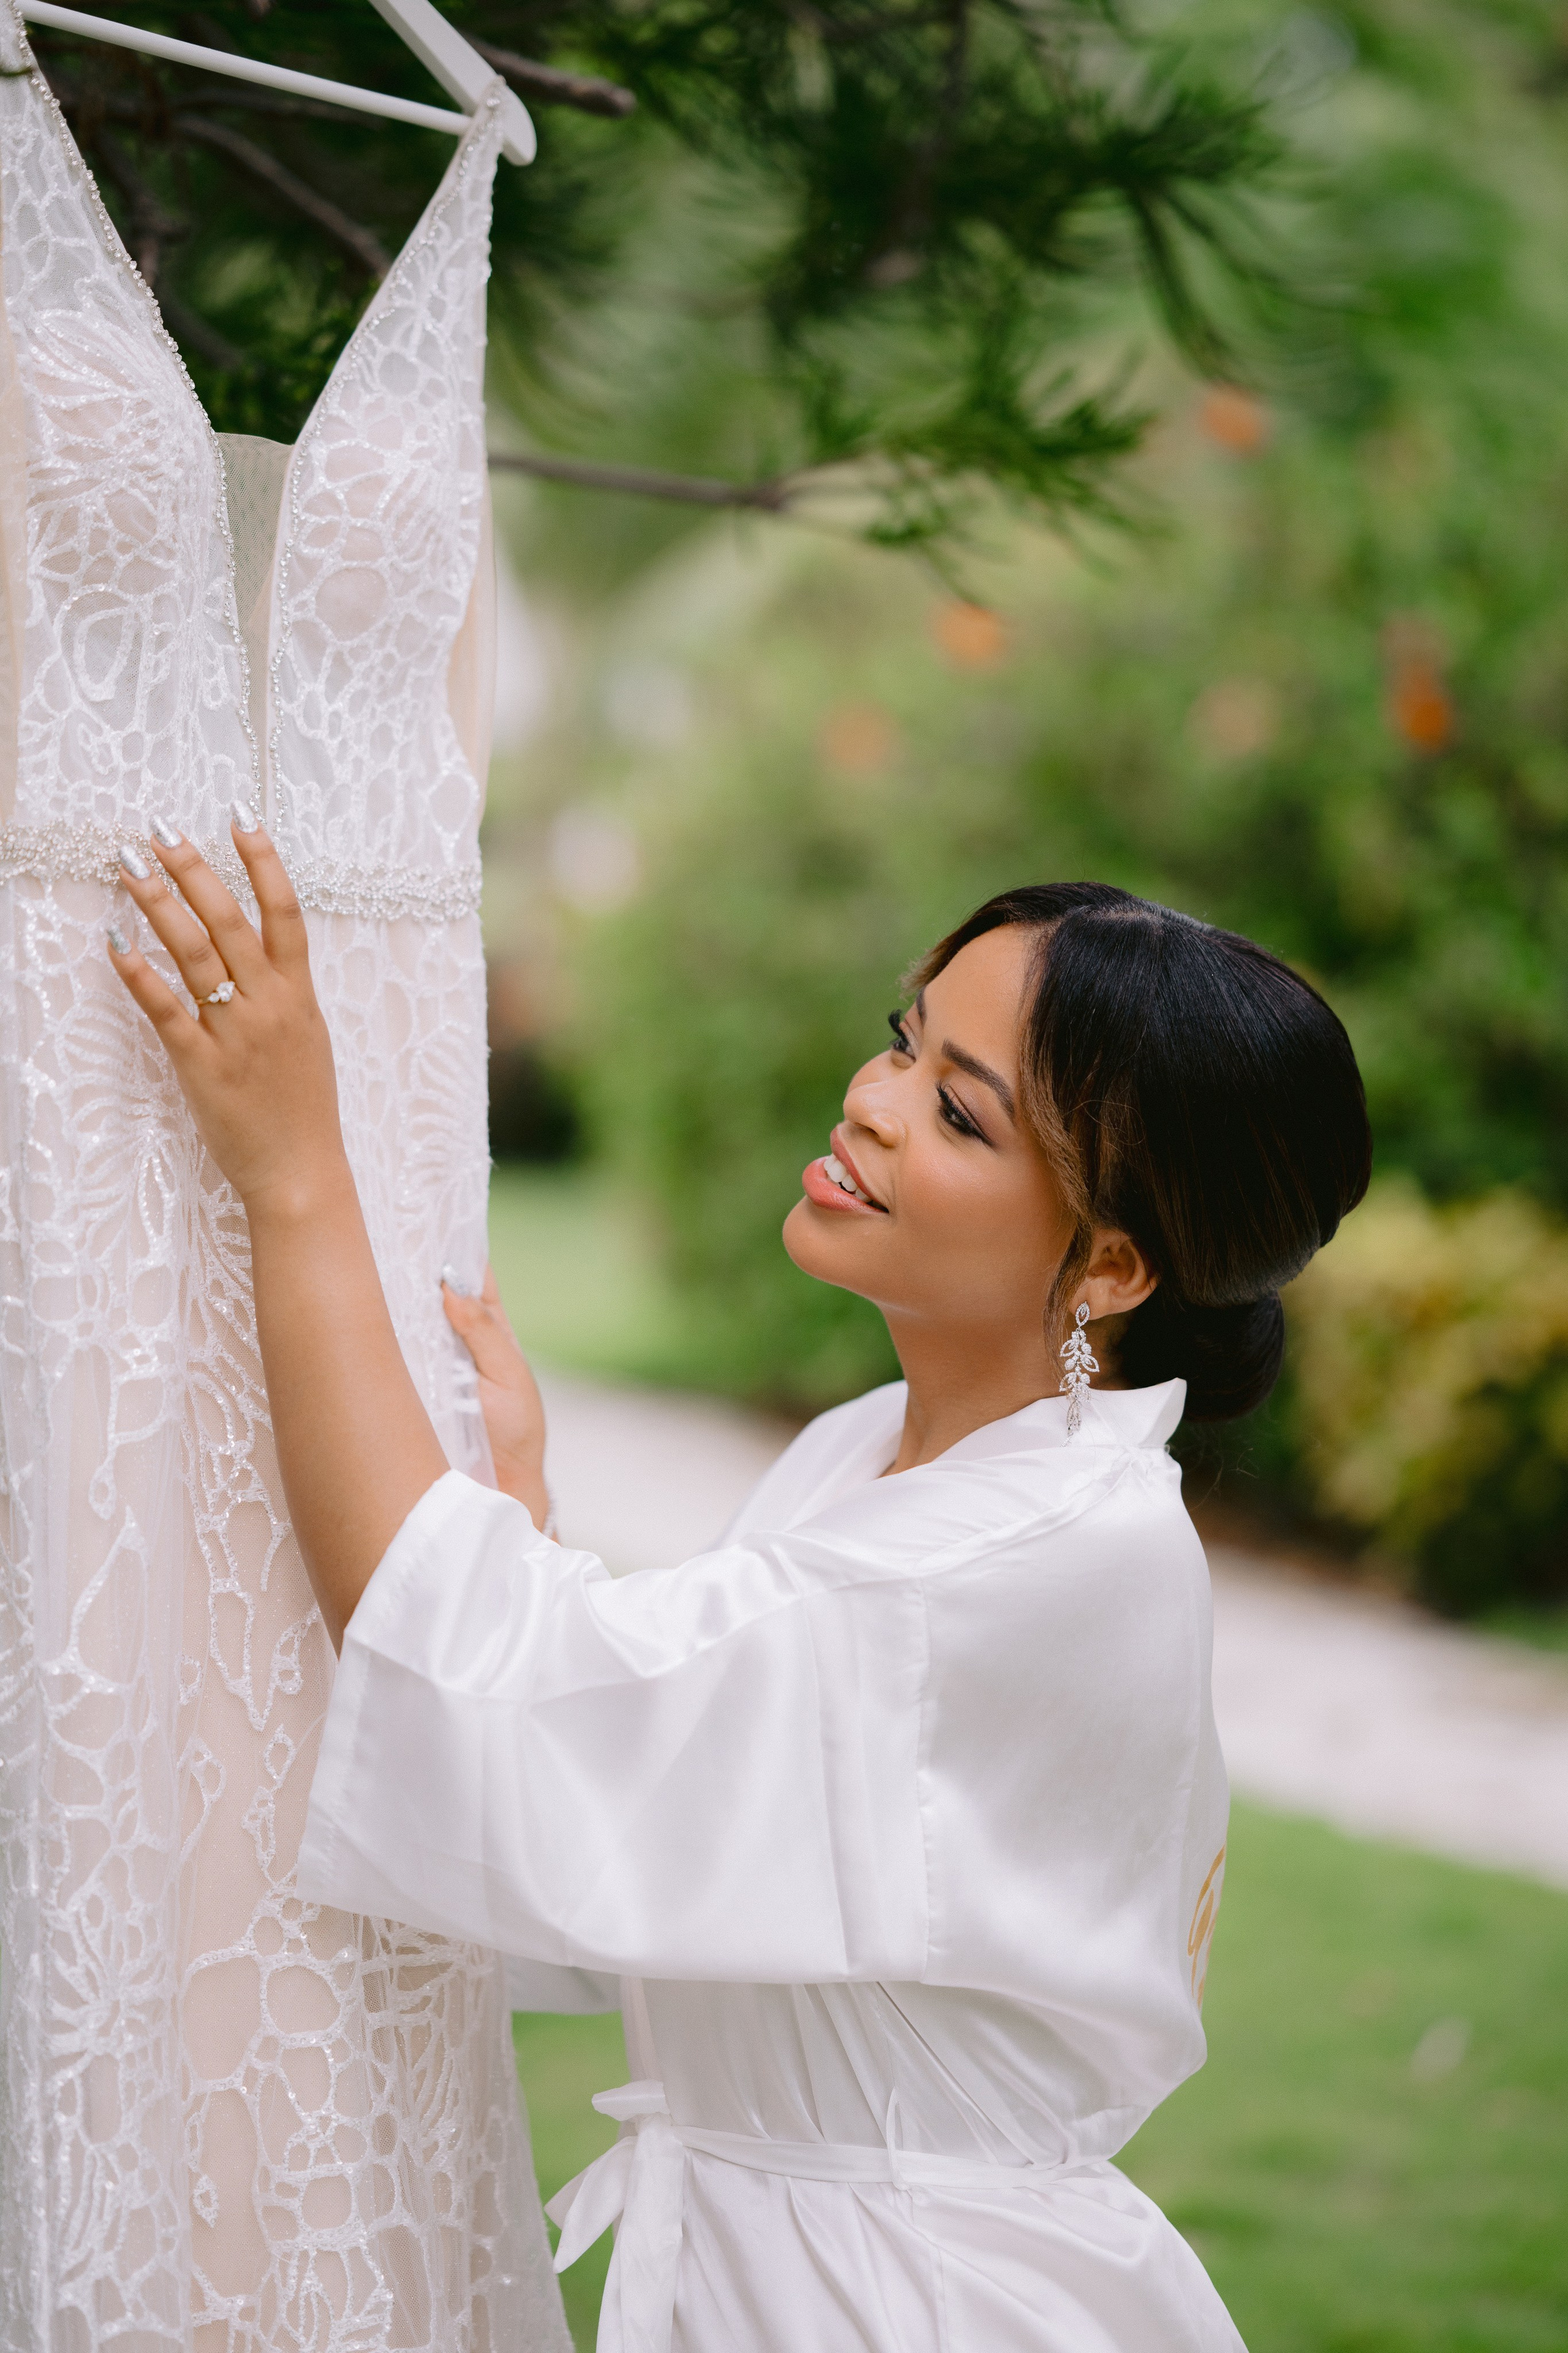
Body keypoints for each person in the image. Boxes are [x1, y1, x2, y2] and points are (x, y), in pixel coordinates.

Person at [107, 828, 1371, 2353]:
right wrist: (525, 1522)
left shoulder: (1028, 1556)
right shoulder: (896, 1459)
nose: (874, 1101)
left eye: (959, 1112)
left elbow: (491, 1688)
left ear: (1107, 1265)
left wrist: (293, 1170)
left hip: (899, 2299)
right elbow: (680, 1838)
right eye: (906, 1039)